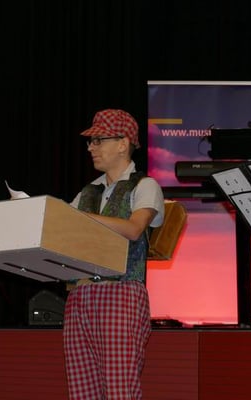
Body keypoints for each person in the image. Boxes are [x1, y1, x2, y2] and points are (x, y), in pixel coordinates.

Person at [63, 109, 165, 399]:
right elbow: (63, 231)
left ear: (123, 143)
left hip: (121, 293)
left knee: (120, 390)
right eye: (90, 141)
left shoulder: (145, 185)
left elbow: (134, 228)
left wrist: (81, 218)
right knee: (82, 390)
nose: (90, 147)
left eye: (98, 140)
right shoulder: (88, 191)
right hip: (80, 295)